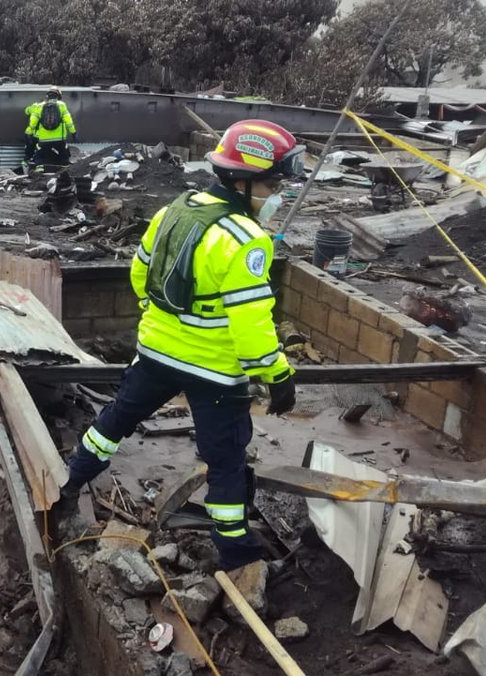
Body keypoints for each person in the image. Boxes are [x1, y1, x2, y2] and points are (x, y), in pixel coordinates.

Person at [55, 119, 304, 571]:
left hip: (155, 353)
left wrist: (165, 322)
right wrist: (278, 376)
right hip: (214, 371)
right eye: (272, 184)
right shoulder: (248, 240)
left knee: (114, 422)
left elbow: (138, 274)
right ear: (244, 181)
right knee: (225, 461)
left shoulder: (177, 209)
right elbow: (252, 327)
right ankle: (237, 555)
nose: (276, 195)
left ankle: (68, 485)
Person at [25, 86, 78, 171]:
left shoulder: (39, 106)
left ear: (47, 96)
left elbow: (33, 122)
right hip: (59, 139)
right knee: (64, 156)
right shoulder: (61, 105)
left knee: (40, 156)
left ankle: (40, 170)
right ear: (58, 96)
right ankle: (65, 171)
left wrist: (28, 133)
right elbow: (68, 121)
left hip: (44, 140)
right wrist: (74, 133)